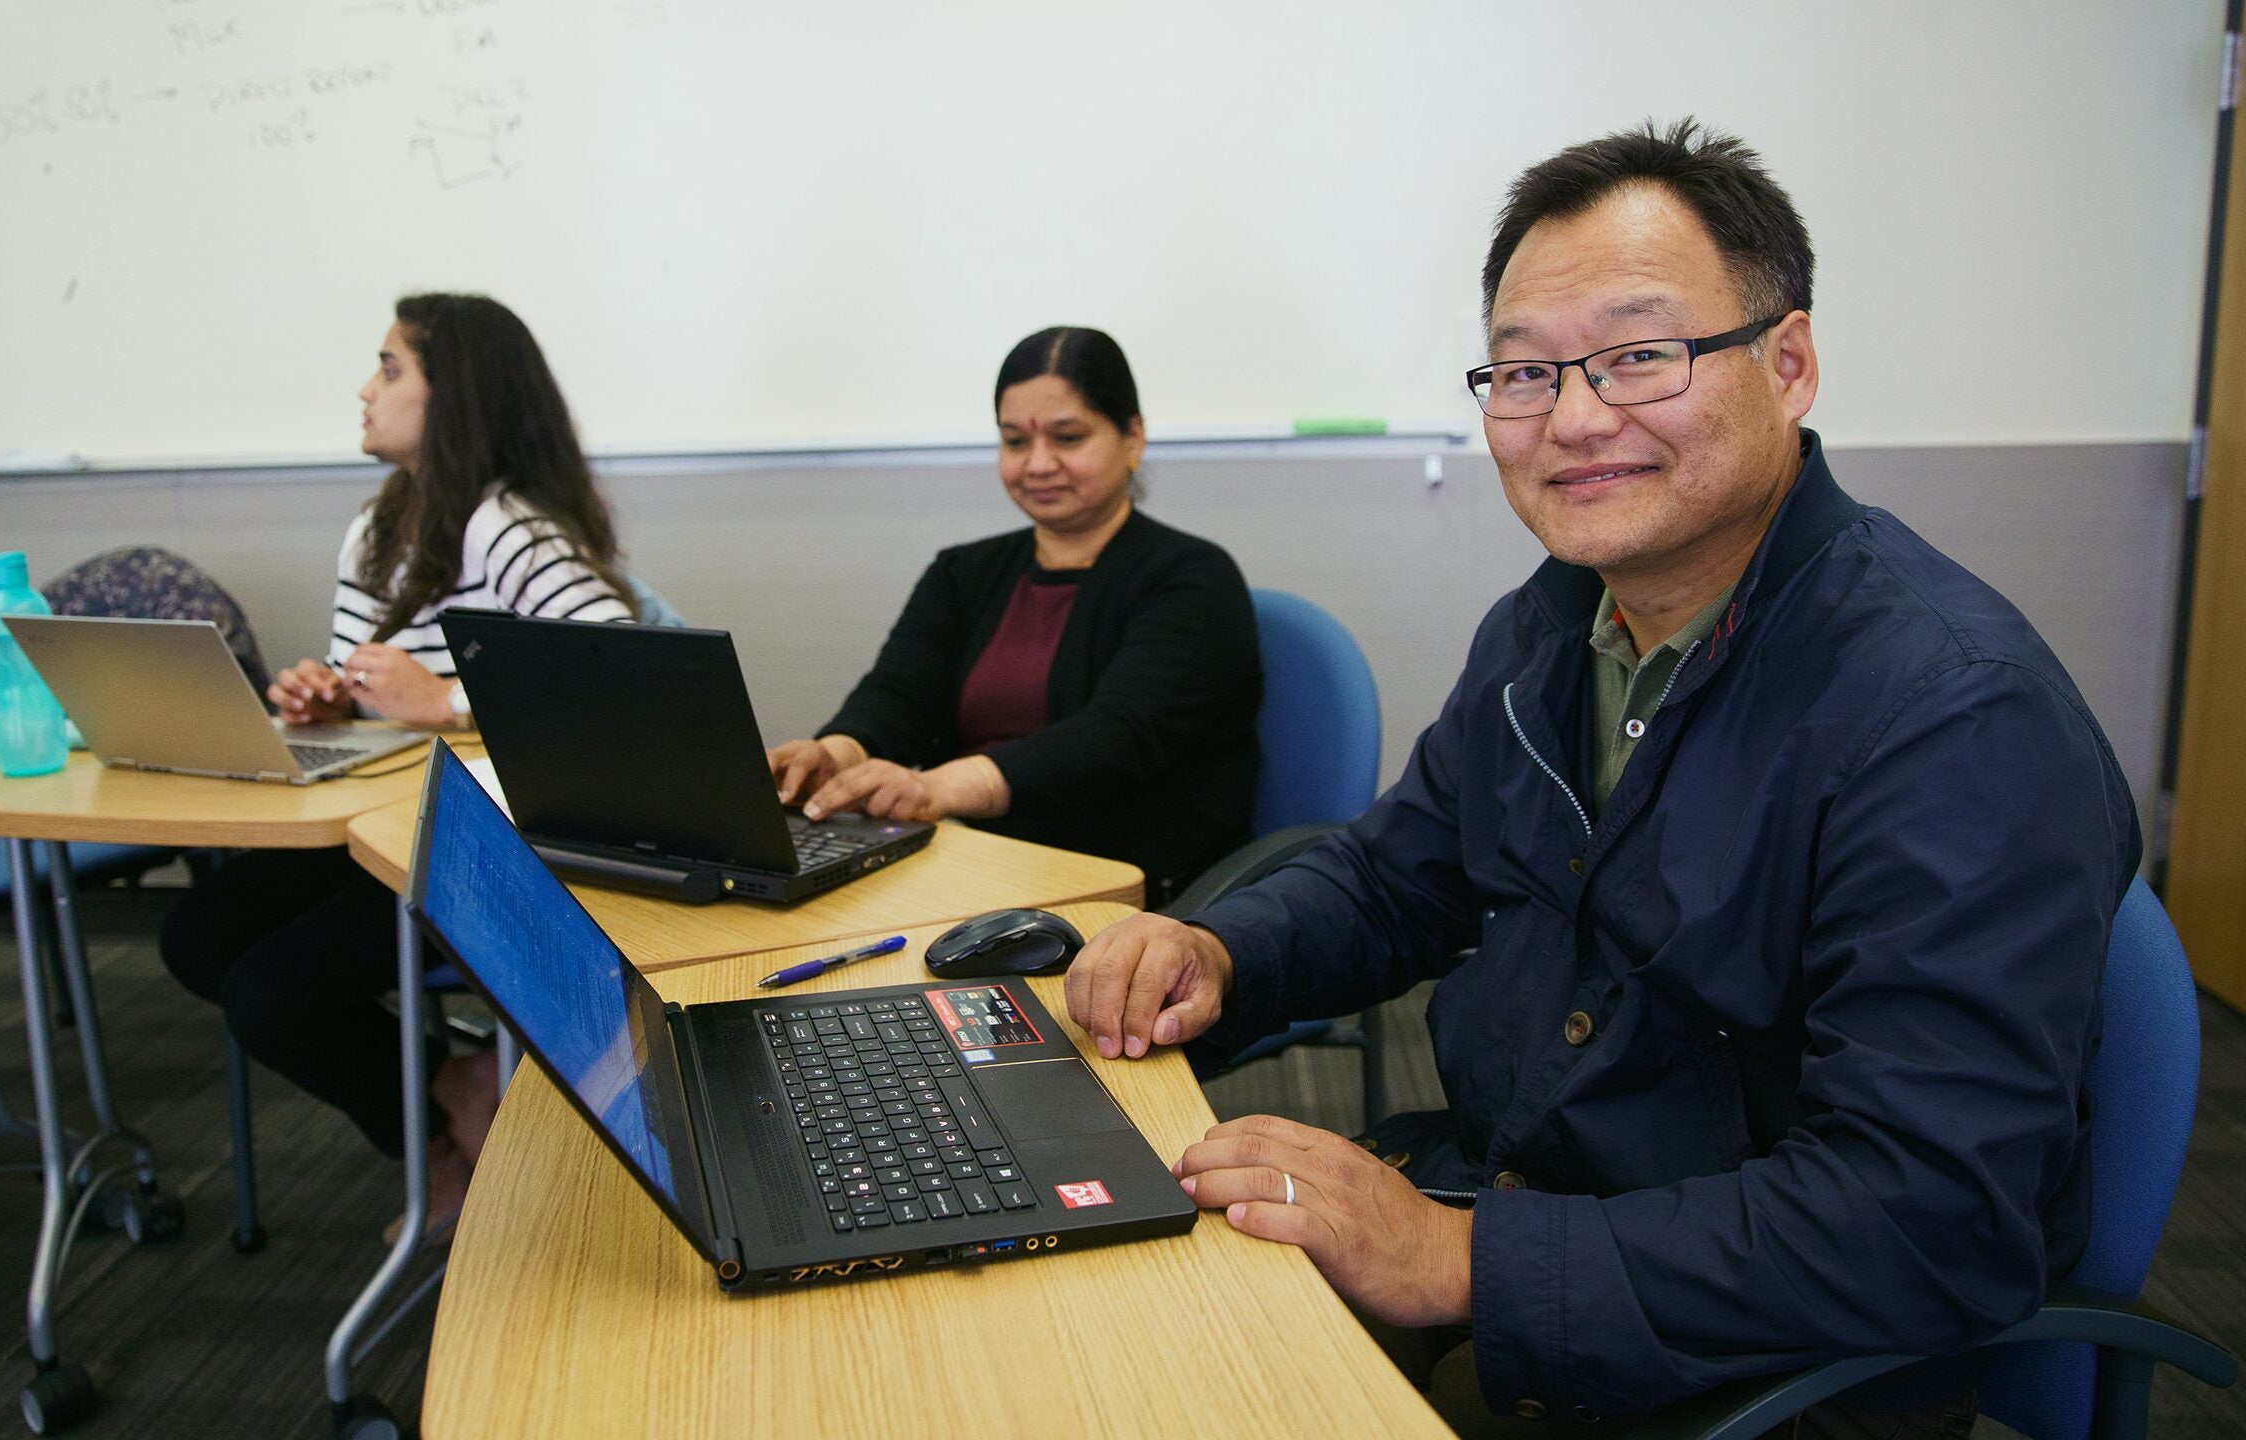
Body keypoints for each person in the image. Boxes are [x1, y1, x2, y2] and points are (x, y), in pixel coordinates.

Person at [1065, 120, 2137, 1434]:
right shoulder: (1558, 621)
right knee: (1083, 1330)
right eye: (1522, 376)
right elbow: (1401, 874)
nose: (1572, 419)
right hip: (1509, 1201)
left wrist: (1457, 1261)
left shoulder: (1952, 718)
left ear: (1788, 363)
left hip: (1739, 1362)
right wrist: (1218, 951)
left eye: (1640, 356)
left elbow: (1925, 1215)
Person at [161, 293, 638, 1227]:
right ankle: (453, 1092)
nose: (364, 391)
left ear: (452, 396)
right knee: (194, 940)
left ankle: (432, 1129)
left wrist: (445, 701)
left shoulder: (508, 526)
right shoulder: (378, 525)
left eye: (388, 369)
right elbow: (369, 683)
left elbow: (616, 689)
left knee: (266, 994)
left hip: (481, 846)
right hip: (384, 821)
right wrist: (332, 697)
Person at [768, 327, 1260, 908]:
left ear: (1133, 438)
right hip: (971, 866)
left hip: (1129, 894)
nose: (1039, 464)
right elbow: (899, 695)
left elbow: (1115, 738)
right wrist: (838, 755)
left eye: (1068, 437)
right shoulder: (963, 572)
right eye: (1014, 442)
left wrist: (934, 788)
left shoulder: (1193, 578)